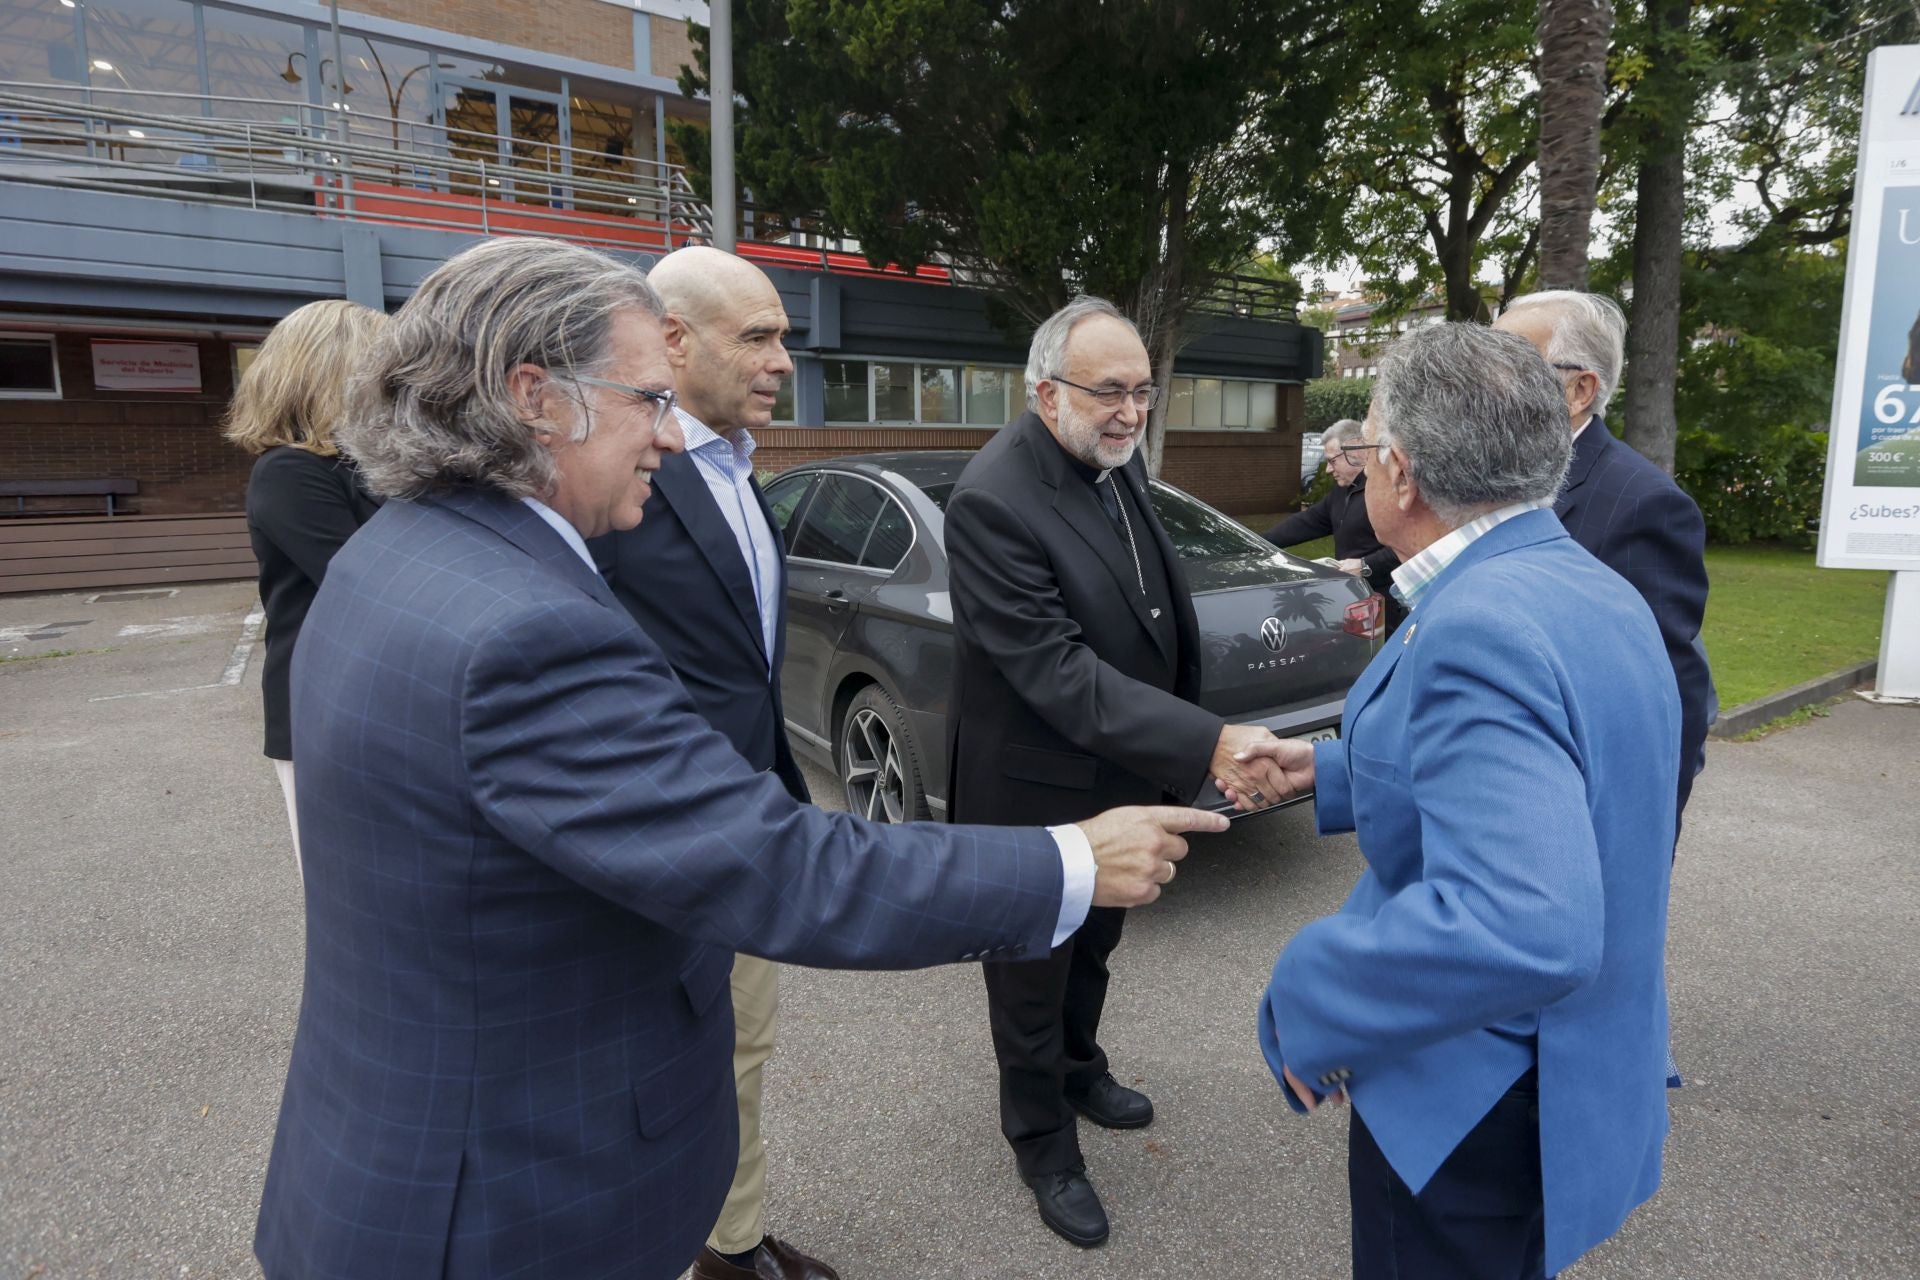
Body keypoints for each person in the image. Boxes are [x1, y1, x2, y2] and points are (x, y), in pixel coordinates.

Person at [251, 238, 1223, 1280]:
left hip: (411, 1153)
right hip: (505, 1205)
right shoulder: (516, 632)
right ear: (536, 397)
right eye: (643, 399)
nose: (668, 437)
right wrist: (1070, 859)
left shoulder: (395, 557)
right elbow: (783, 866)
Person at [1231, 323, 1680, 1280]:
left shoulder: (1482, 622)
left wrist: (1309, 986)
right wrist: (1330, 769)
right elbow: (1564, 766)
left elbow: (1524, 921)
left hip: (1476, 1091)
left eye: (1368, 457)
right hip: (1561, 1070)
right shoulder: (1584, 584)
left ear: (1399, 472)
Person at [943, 295, 1294, 1248]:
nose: (1132, 412)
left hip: (1122, 774)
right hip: (1036, 793)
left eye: (1143, 391)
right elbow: (1055, 670)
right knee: (1030, 970)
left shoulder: (1114, 462)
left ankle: (1079, 1069)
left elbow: (1147, 609)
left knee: (1095, 946)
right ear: (1045, 391)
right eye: (1110, 392)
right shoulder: (992, 499)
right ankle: (1043, 1142)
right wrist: (1208, 742)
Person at [586, 247, 830, 1280]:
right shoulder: (610, 478)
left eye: (785, 337)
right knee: (645, 1071)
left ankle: (730, 1243)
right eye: (760, 337)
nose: (783, 360)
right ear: (673, 341)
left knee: (742, 1051)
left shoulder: (738, 464)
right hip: (651, 840)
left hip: (747, 819)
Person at [1494, 291, 1716, 819]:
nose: (1483, 378)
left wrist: (1644, 839)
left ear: (1579, 389)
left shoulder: (1644, 503)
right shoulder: (1487, 478)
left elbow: (1664, 696)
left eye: (1510, 362)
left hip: (1572, 801)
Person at [222, 298, 388, 871]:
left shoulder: (362, 467)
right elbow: (372, 584)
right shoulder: (292, 472)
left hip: (376, 696)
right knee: (346, 883)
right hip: (326, 704)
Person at [1263, 417, 1405, 630]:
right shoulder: (1341, 492)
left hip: (1390, 606)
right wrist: (1257, 542)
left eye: (1332, 460)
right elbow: (1305, 523)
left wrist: (1366, 566)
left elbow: (1407, 546)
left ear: (1356, 451)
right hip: (1357, 599)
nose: (1329, 470)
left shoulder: (1384, 491)